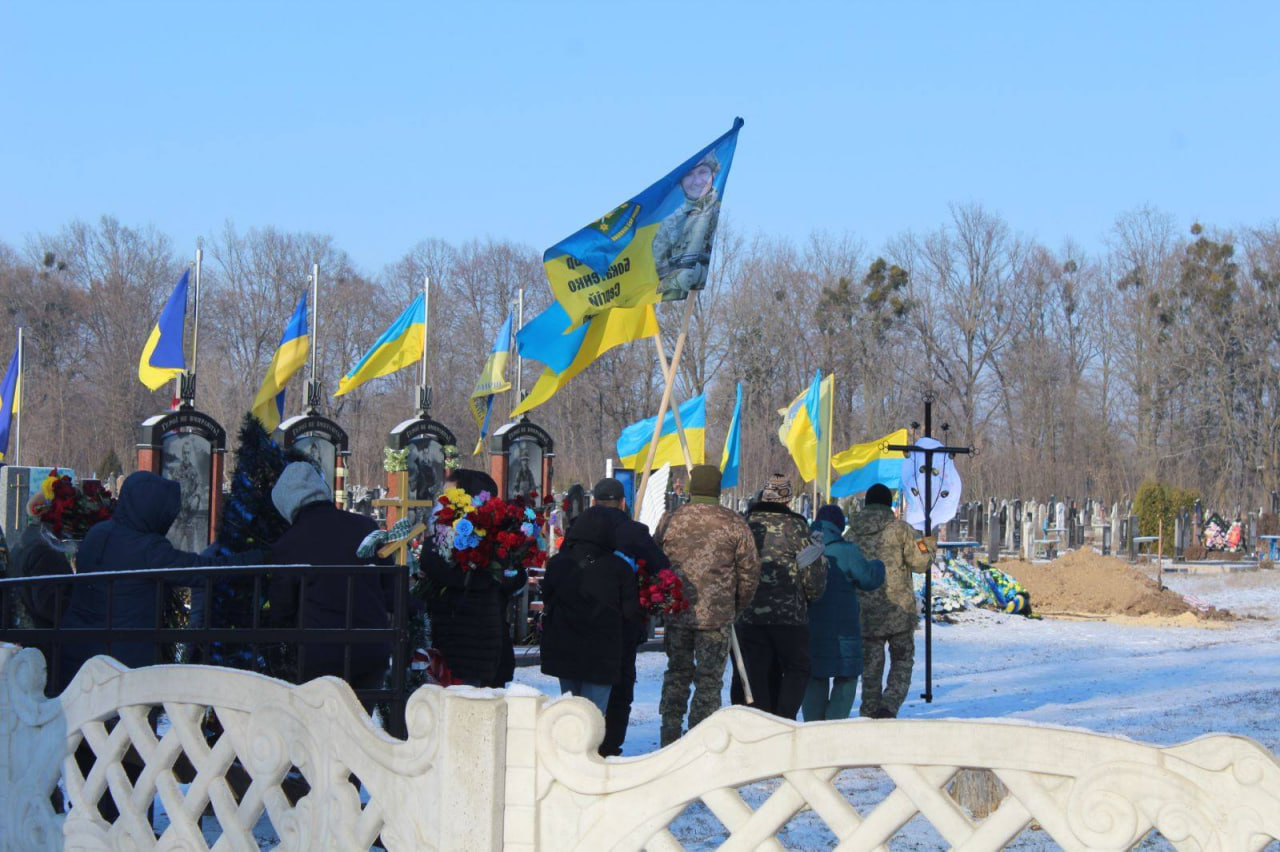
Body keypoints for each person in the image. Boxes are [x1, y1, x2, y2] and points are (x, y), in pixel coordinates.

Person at [58, 471, 266, 688]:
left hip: (78, 652)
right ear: (153, 511)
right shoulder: (147, 548)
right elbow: (199, 571)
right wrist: (255, 559)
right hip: (124, 662)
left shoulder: (98, 533)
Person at [269, 462, 396, 699]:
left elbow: (282, 607)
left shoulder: (290, 543)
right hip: (372, 647)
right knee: (360, 727)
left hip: (322, 653)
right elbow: (390, 589)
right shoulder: (365, 526)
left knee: (323, 728)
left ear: (285, 503)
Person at [654, 464, 759, 747]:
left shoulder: (670, 520)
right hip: (717, 614)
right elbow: (749, 571)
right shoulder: (733, 522)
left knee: (677, 673)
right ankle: (699, 739)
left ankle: (670, 733)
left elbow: (656, 561)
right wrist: (737, 604)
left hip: (677, 611)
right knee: (709, 679)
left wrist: (662, 601)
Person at [422, 468, 528, 687]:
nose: (441, 502)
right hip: (481, 646)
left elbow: (512, 578)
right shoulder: (495, 540)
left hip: (465, 646)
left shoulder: (491, 541)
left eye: (448, 496)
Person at [736, 475, 826, 720]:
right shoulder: (797, 527)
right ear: (788, 499)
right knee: (797, 667)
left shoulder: (745, 523)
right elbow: (812, 574)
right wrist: (810, 597)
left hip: (750, 614)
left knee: (757, 671)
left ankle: (762, 720)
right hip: (790, 616)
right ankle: (784, 718)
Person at [591, 476, 667, 756]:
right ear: (623, 503)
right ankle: (610, 745)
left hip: (583, 618)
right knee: (620, 685)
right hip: (623, 619)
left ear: (594, 502)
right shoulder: (633, 532)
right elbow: (661, 567)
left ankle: (584, 741)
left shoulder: (578, 528)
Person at [845, 483, 935, 718]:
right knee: (902, 660)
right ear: (888, 504)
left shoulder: (851, 532)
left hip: (864, 612)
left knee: (871, 667)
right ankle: (890, 704)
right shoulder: (900, 530)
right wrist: (928, 545)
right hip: (899, 612)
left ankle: (869, 708)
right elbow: (920, 563)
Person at [539, 506, 640, 714]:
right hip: (602, 653)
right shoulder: (620, 568)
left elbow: (547, 597)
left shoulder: (557, 564)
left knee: (571, 711)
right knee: (594, 714)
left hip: (564, 647)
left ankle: (568, 746)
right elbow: (630, 611)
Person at [801, 504, 885, 722]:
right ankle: (835, 726)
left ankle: (813, 727)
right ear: (839, 526)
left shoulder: (804, 547)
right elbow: (868, 580)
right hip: (843, 629)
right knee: (846, 677)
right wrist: (878, 564)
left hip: (811, 626)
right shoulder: (847, 551)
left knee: (814, 675)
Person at [653, 150, 721, 301]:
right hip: (683, 303)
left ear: (713, 173)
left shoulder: (722, 214)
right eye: (689, 175)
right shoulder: (669, 225)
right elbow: (663, 278)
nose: (696, 181)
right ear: (680, 183)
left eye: (702, 172)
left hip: (725, 293)